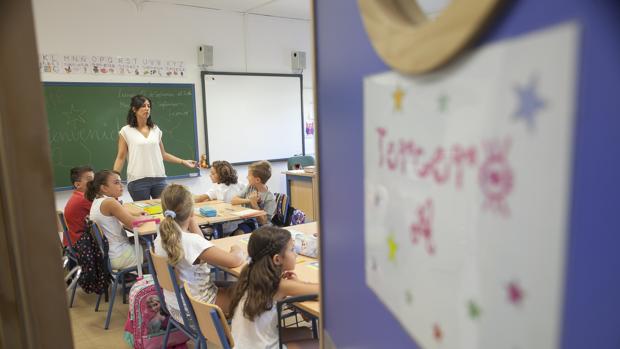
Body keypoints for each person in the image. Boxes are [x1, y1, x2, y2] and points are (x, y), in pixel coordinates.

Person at [154, 184, 245, 321]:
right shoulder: (190, 241)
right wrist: (236, 247)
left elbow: (201, 243)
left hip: (175, 308)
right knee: (254, 295)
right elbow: (235, 260)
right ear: (191, 211)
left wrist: (191, 220)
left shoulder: (161, 237)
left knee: (233, 286)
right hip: (197, 312)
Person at [229, 226, 319, 349]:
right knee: (320, 344)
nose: (296, 254)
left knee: (305, 332)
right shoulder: (278, 285)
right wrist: (298, 284)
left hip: (241, 344)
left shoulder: (250, 273)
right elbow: (322, 290)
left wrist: (296, 285)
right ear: (277, 259)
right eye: (292, 250)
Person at [113, 95, 197, 201]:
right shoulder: (126, 131)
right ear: (134, 109)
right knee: (145, 215)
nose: (147, 108)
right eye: (143, 106)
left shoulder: (155, 129)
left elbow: (163, 154)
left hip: (159, 178)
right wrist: (114, 177)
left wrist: (183, 161)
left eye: (149, 106)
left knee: (164, 210)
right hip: (138, 180)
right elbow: (121, 157)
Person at [86, 170, 146, 270]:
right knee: (155, 249)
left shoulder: (98, 200)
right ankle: (153, 281)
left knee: (145, 242)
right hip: (119, 255)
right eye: (116, 182)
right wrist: (145, 217)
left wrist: (135, 215)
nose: (121, 185)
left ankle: (146, 277)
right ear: (104, 188)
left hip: (110, 253)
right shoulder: (109, 202)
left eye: (120, 182)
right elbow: (134, 223)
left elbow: (121, 213)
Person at [231, 160, 276, 234]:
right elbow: (233, 200)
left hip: (262, 228)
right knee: (237, 233)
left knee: (241, 233)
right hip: (249, 223)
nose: (246, 177)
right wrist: (249, 200)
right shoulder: (250, 187)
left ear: (257, 180)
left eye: (249, 175)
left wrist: (255, 205)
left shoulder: (269, 198)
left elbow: (264, 221)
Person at [63, 165, 94, 247]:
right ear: (77, 184)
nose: (94, 182)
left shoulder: (77, 195)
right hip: (81, 245)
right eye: (90, 179)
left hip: (71, 242)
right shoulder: (84, 199)